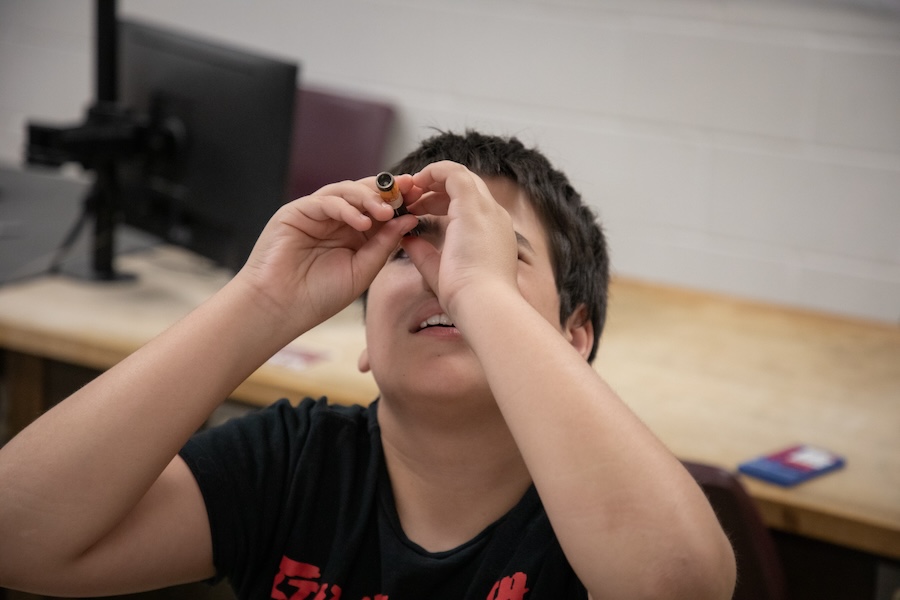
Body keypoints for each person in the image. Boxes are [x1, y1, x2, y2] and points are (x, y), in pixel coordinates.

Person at [0, 130, 736, 599]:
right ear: (365, 341)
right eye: (408, 249)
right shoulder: (296, 465)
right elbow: (17, 538)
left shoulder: (596, 510)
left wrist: (479, 293)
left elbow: (679, 585)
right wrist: (262, 300)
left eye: (490, 253)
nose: (442, 275)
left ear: (573, 339)